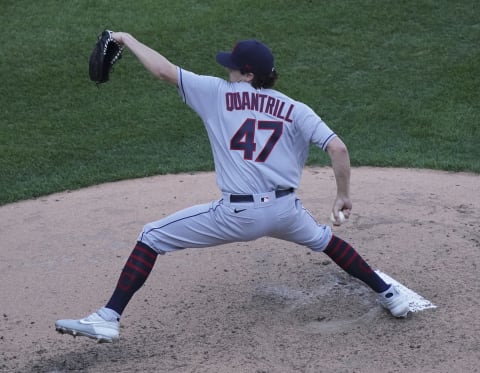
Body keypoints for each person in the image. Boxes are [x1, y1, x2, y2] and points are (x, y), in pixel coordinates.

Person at [55, 33, 409, 343]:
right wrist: (342, 195)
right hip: (286, 212)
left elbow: (163, 70)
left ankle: (108, 318)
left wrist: (126, 39)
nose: (228, 69)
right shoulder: (295, 108)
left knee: (151, 236)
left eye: (234, 66)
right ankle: (390, 293)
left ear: (248, 74)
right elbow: (338, 148)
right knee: (324, 240)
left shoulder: (217, 93)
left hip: (238, 214)